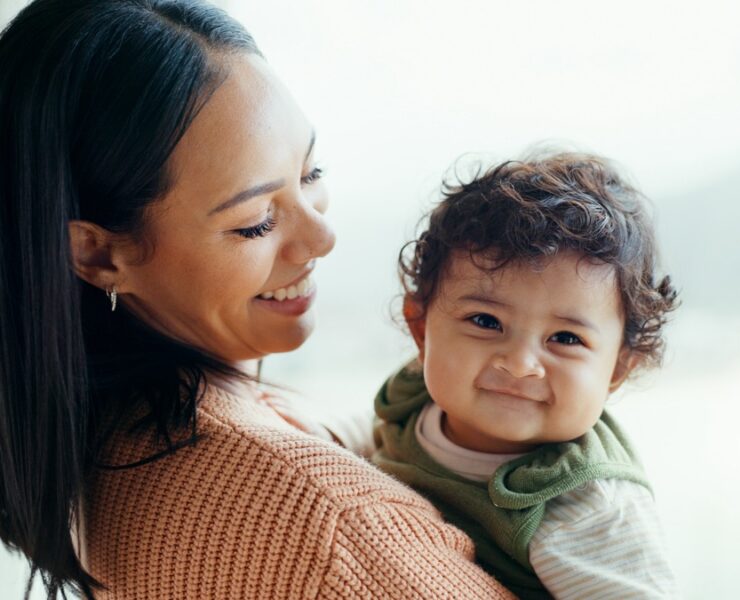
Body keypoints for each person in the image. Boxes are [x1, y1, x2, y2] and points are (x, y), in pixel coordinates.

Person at [0, 1, 516, 598]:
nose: (323, 237)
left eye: (310, 171)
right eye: (254, 222)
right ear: (98, 255)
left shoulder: (101, 454)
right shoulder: (331, 524)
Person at [372, 153, 681, 598]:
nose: (519, 363)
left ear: (616, 368)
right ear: (421, 330)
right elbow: (372, 439)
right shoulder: (414, 392)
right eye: (485, 321)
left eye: (565, 338)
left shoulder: (585, 504)